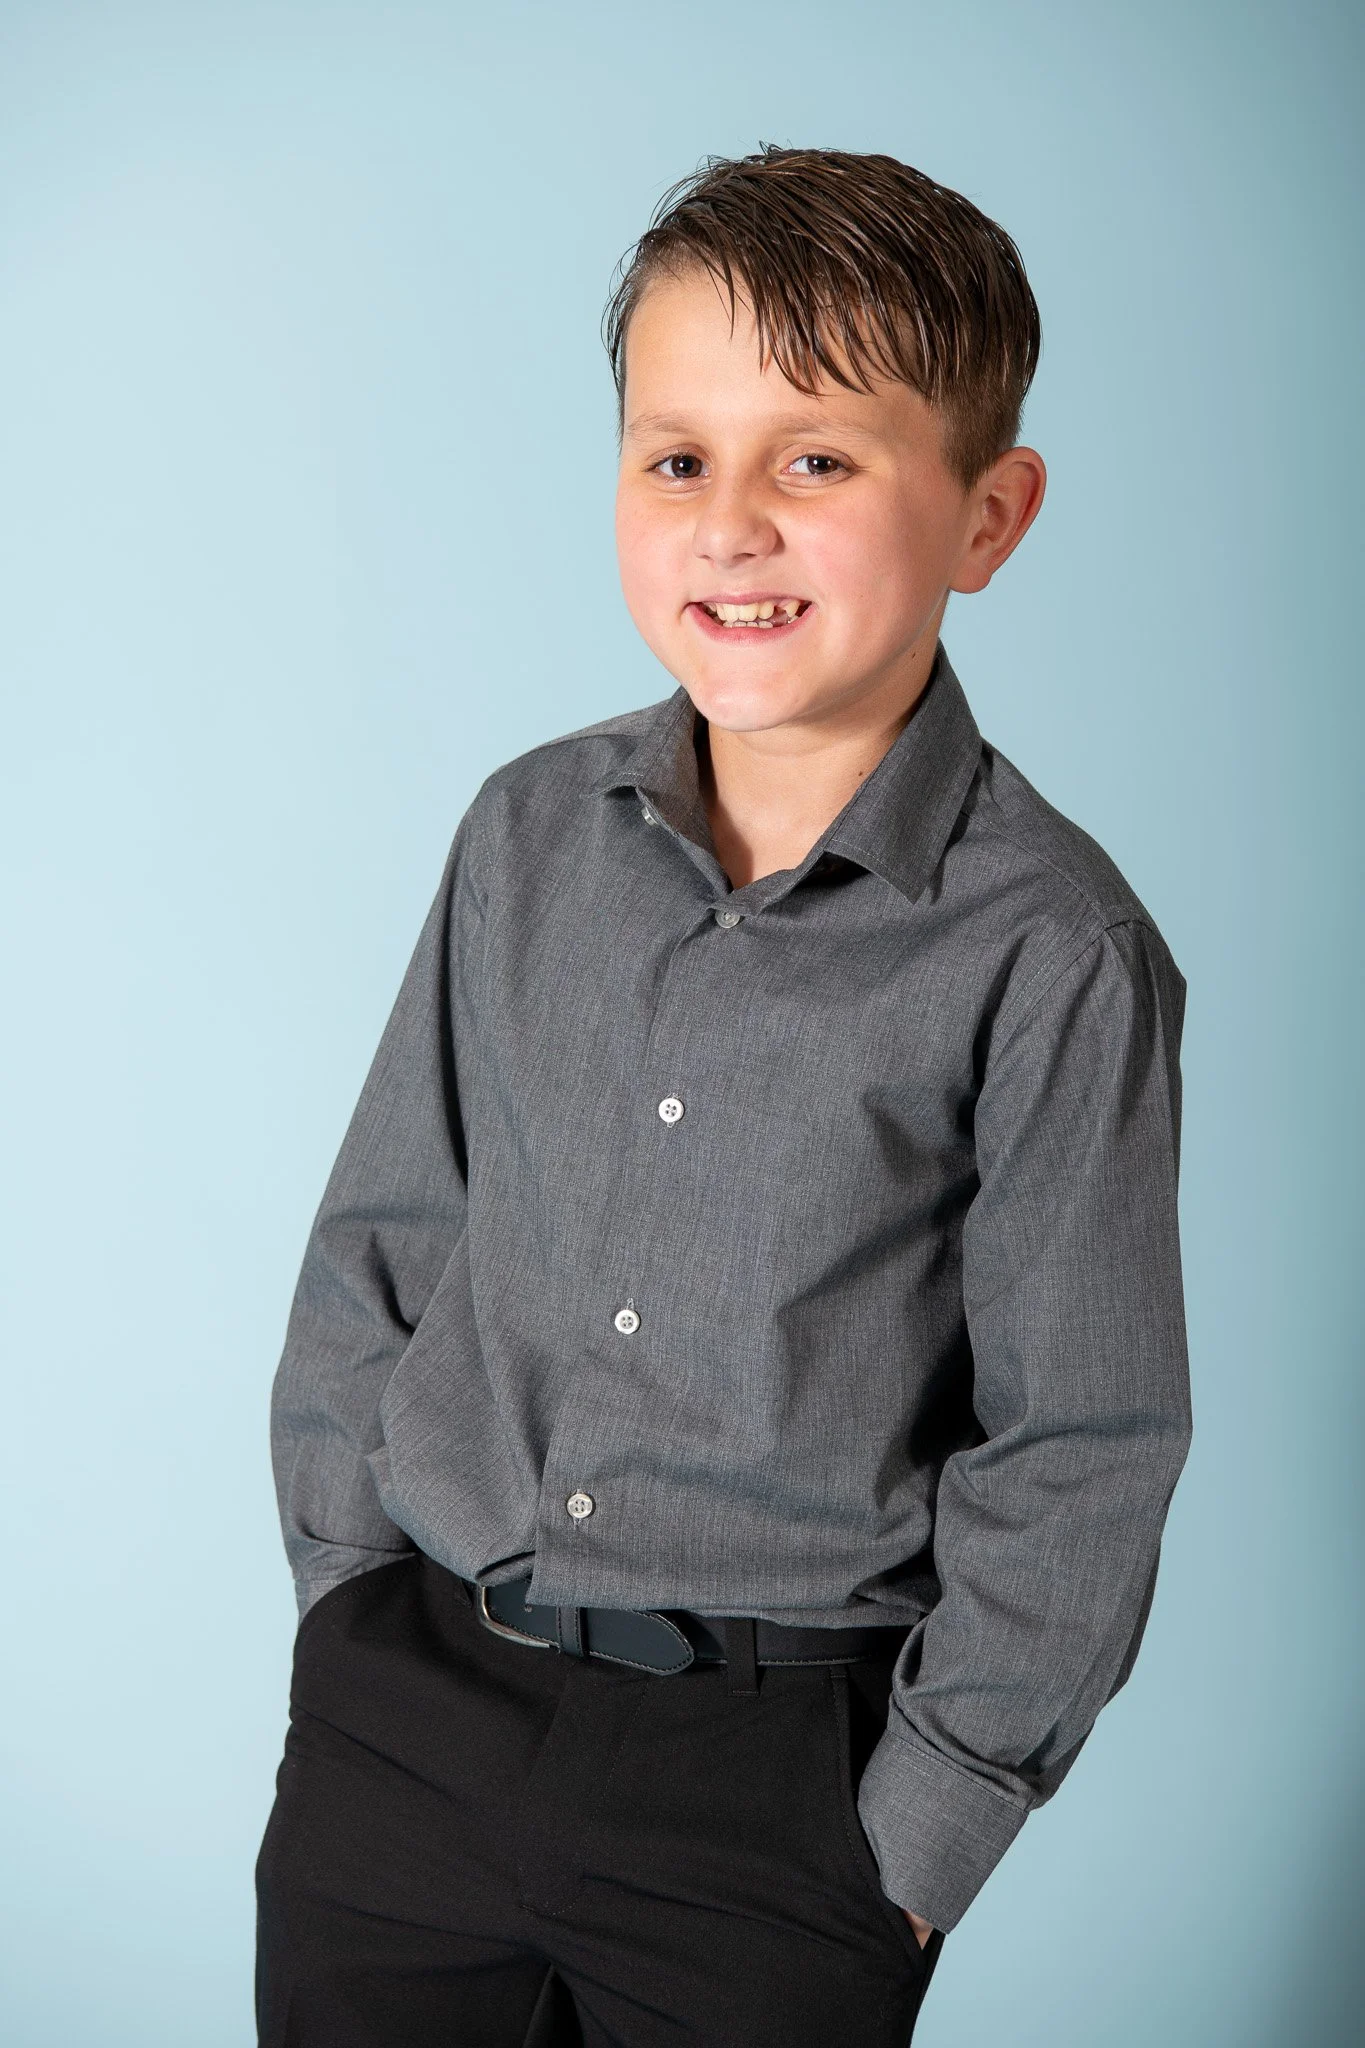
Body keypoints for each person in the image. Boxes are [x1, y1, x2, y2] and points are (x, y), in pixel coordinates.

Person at [255, 144, 1192, 2045]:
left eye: (819, 460)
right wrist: (349, 1604)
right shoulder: (528, 831)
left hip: (773, 1809)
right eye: (678, 456)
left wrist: (908, 1852)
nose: (732, 523)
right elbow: (386, 1234)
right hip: (409, 1728)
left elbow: (1082, 1441)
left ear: (988, 515)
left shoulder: (1056, 948)